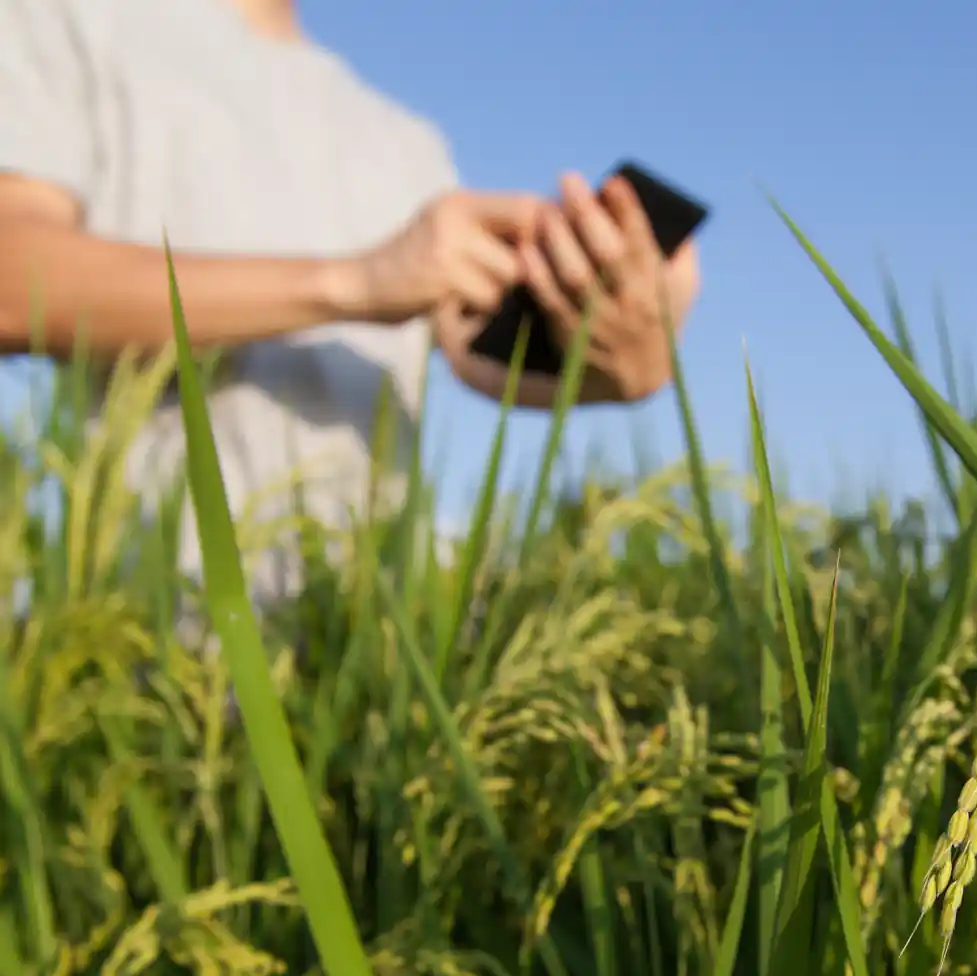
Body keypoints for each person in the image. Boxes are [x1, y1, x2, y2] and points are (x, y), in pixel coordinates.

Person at [0, 0, 700, 601]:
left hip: (365, 645)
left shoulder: (403, 140)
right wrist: (353, 284)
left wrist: (616, 358)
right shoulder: (75, 19)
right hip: (150, 624)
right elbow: (12, 275)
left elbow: (474, 354)